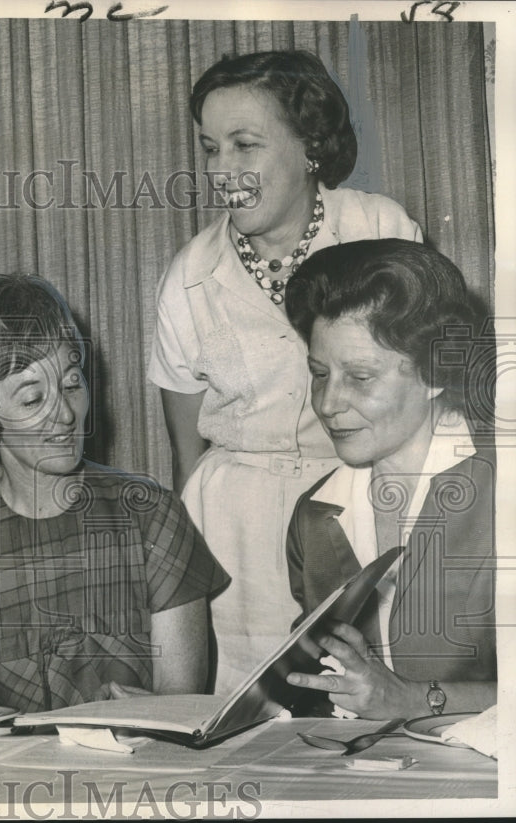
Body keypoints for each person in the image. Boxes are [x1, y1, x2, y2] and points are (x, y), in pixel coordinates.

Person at [147, 50, 423, 694]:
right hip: (237, 534)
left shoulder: (381, 228)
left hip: (366, 507)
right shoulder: (190, 275)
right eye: (211, 149)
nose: (223, 171)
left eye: (246, 145)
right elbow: (187, 452)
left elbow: (429, 393)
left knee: (377, 700)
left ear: (311, 148)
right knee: (254, 715)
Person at [0, 275, 229, 713]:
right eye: (32, 399)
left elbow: (183, 710)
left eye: (71, 383)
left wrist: (152, 714)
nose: (66, 414)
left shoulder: (152, 516)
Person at [282, 239, 495, 719]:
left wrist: (412, 701)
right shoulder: (314, 515)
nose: (328, 403)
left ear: (436, 372)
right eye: (320, 373)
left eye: (359, 377)